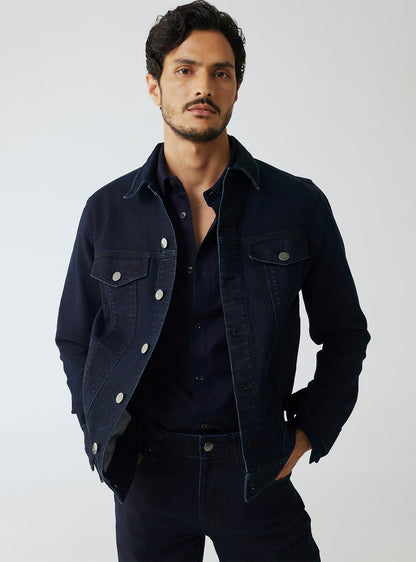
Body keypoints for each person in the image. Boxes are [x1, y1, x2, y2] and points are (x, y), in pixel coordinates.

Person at [56, 1, 370, 560]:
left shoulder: (296, 205)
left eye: (220, 72)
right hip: (149, 475)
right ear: (154, 86)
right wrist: (103, 433)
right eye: (185, 70)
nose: (204, 86)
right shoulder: (107, 211)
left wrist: (309, 431)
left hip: (256, 469)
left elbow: (345, 333)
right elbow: (76, 338)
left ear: (236, 88)